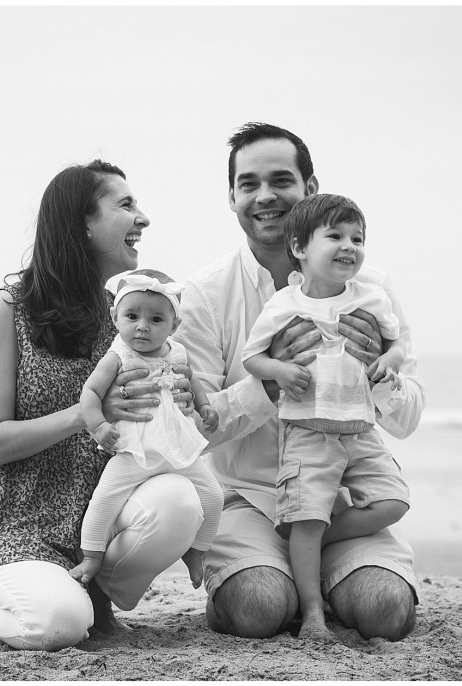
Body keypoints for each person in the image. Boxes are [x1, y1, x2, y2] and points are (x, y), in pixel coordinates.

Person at [0, 160, 205, 652]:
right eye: (125, 205)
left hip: (90, 521)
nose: (142, 218)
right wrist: (87, 413)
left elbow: (160, 422)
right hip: (7, 526)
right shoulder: (8, 309)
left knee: (180, 501)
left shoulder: (128, 319)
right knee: (56, 624)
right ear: (83, 224)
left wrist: (184, 403)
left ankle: (96, 594)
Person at [173, 122, 425, 642]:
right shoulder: (204, 295)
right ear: (232, 198)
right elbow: (189, 434)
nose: (265, 196)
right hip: (251, 500)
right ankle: (281, 578)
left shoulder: (370, 288)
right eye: (249, 184)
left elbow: (409, 418)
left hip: (344, 503)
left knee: (386, 611)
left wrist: (378, 369)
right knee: (258, 608)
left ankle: (319, 566)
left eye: (281, 180)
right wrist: (269, 385)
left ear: (310, 188)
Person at [241, 193, 411, 643]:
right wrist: (280, 371)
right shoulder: (284, 304)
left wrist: (388, 361)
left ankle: (312, 541)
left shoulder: (371, 296)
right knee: (308, 518)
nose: (349, 246)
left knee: (393, 501)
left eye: (358, 238)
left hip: (360, 429)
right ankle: (313, 611)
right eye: (335, 236)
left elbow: (398, 344)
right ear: (299, 247)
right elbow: (252, 358)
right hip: (307, 430)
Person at [71, 269, 224, 590]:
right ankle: (92, 557)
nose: (142, 326)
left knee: (213, 495)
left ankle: (196, 552)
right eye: (132, 316)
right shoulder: (118, 356)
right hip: (134, 451)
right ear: (114, 317)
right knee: (104, 499)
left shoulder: (177, 351)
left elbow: (192, 381)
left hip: (177, 450)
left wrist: (205, 407)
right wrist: (99, 425)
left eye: (156, 319)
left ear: (174, 326)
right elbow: (91, 392)